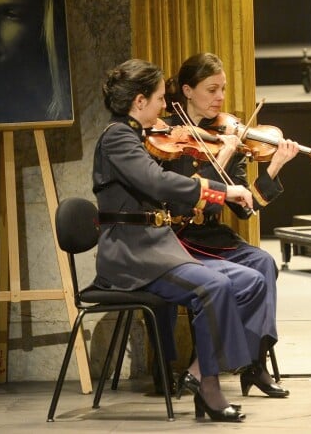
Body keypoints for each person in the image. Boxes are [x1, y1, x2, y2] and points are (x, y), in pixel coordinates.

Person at [92, 58, 276, 422]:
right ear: (139, 101)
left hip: (159, 248)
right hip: (132, 255)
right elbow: (159, 184)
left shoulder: (139, 137)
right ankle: (209, 387)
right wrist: (221, 191)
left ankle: (196, 373)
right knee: (215, 286)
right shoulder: (117, 137)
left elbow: (171, 189)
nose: (165, 106)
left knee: (250, 281)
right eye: (160, 98)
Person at [158, 52, 299, 399]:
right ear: (188, 91)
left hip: (213, 236)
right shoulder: (167, 137)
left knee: (263, 262)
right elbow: (180, 202)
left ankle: (255, 365)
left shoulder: (228, 135)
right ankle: (205, 365)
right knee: (229, 278)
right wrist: (218, 159)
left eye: (222, 89)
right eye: (211, 90)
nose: (220, 98)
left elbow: (245, 210)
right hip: (177, 237)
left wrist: (273, 169)